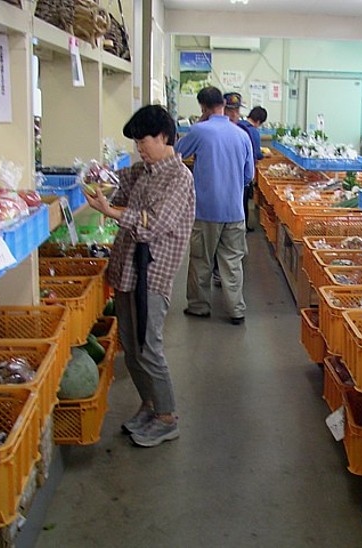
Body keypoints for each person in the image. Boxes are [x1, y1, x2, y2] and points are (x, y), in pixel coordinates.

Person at [83, 105, 195, 448]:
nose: (139, 148)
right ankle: (149, 405)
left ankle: (167, 417)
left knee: (149, 348)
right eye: (135, 143)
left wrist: (112, 212)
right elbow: (116, 187)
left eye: (143, 141)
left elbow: (155, 223)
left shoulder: (178, 177)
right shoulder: (142, 171)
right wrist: (94, 179)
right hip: (128, 272)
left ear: (163, 136)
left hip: (152, 276)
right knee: (131, 348)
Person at [176, 86, 254, 324]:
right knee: (232, 263)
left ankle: (199, 306)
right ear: (223, 104)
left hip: (206, 211)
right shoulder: (242, 135)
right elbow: (249, 175)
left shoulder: (200, 130)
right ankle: (236, 310)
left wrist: (200, 122)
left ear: (203, 107)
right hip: (235, 212)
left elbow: (177, 153)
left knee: (201, 260)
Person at [237, 105, 269, 232]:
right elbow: (256, 154)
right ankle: (243, 227)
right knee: (244, 200)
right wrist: (265, 155)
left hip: (233, 168)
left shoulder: (237, 125)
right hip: (245, 170)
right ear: (259, 121)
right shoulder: (253, 131)